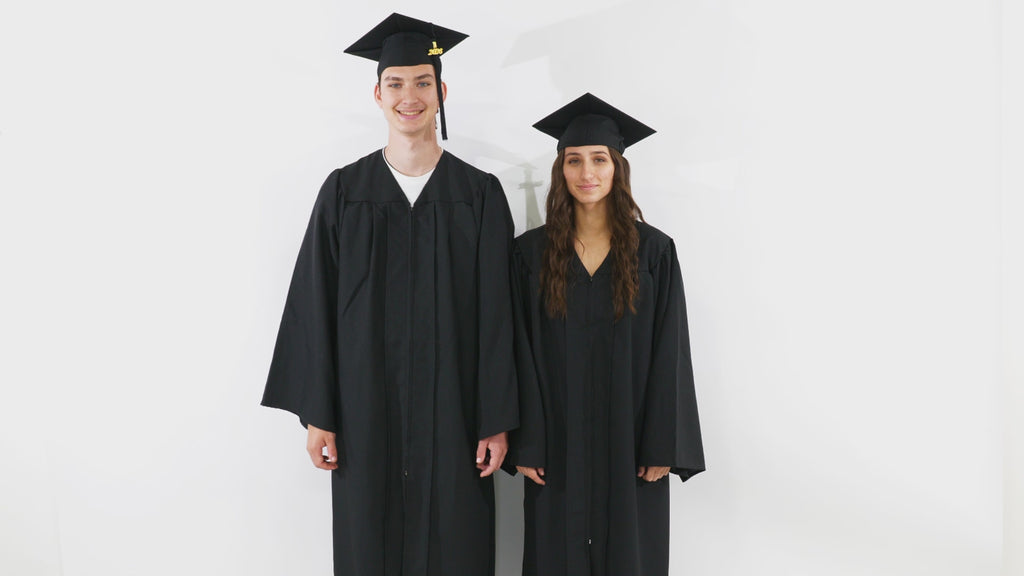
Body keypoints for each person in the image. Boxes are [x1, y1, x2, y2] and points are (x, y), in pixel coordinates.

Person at [261, 13, 517, 576]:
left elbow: (500, 314)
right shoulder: (345, 192)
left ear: (441, 91)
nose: (410, 96)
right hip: (363, 411)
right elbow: (314, 302)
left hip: (456, 411)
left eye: (422, 82)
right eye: (396, 84)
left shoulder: (478, 195)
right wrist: (318, 413)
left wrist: (496, 417)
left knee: (457, 540)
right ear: (377, 94)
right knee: (368, 541)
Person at [508, 93, 705, 576]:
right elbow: (518, 351)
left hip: (633, 444)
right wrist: (528, 441)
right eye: (573, 160)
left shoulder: (654, 252)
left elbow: (670, 348)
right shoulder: (530, 255)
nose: (586, 172)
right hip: (556, 444)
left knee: (631, 552)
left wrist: (663, 443)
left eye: (599, 159)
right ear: (561, 170)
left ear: (618, 167)